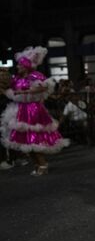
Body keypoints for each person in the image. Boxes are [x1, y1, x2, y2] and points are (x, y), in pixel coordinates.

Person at [0, 46, 69, 175]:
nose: (18, 67)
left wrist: (25, 91)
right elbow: (10, 89)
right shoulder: (17, 79)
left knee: (34, 139)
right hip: (20, 110)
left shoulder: (35, 76)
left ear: (26, 66)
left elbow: (43, 87)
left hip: (33, 110)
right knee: (25, 141)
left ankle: (43, 164)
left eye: (20, 65)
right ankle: (37, 164)